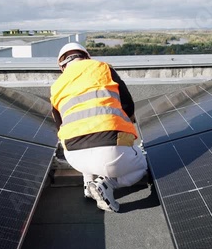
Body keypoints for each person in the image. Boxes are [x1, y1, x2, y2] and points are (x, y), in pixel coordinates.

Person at [50, 42, 148, 212]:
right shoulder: (102, 68)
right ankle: (107, 184)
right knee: (142, 164)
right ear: (87, 57)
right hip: (112, 152)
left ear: (62, 66)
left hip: (74, 158)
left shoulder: (57, 86)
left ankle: (88, 184)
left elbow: (60, 126)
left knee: (80, 137)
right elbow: (128, 104)